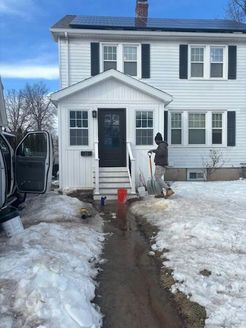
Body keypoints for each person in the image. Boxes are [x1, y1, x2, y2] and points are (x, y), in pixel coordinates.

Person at [148, 132, 174, 198]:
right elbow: (159, 151)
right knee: (158, 178)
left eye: (156, 141)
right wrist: (153, 150)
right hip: (161, 164)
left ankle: (168, 190)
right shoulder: (162, 145)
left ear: (158, 140)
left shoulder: (162, 145)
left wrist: (155, 151)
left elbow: (161, 153)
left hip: (160, 164)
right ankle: (161, 193)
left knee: (157, 178)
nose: (155, 142)